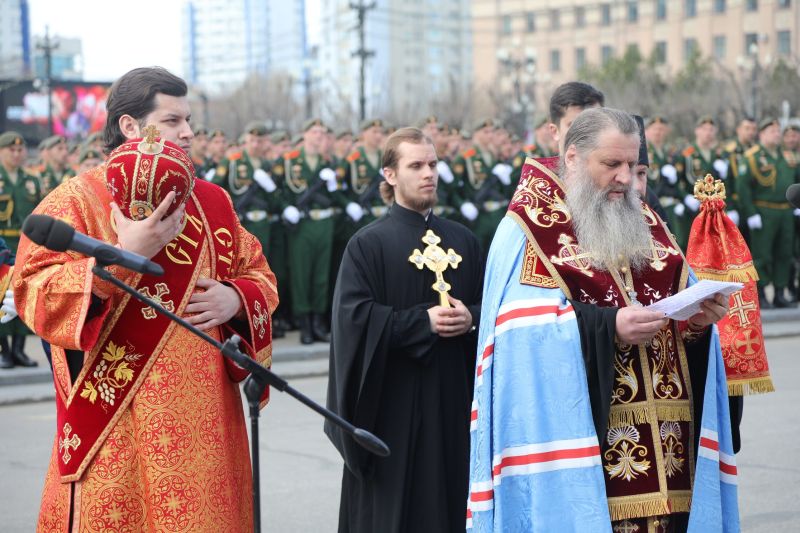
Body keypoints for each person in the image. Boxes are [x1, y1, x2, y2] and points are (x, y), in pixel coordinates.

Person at [15, 67, 278, 532]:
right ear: (131, 127)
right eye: (173, 120)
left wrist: (236, 299)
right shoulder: (75, 201)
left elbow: (261, 274)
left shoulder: (212, 202)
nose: (189, 132)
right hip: (117, 429)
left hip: (208, 431)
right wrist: (123, 259)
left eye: (189, 120)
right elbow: (32, 292)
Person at [469, 108, 739, 532]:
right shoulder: (529, 230)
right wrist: (609, 326)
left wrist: (699, 322)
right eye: (611, 164)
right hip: (594, 449)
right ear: (573, 158)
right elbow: (521, 337)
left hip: (670, 449)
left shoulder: (646, 221)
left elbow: (675, 311)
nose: (626, 178)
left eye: (632, 165)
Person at [326, 127, 483, 533]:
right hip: (393, 404)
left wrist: (472, 319)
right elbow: (353, 321)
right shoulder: (367, 244)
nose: (428, 173)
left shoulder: (464, 240)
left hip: (454, 397)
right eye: (416, 165)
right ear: (390, 175)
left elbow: (492, 307)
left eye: (433, 164)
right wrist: (421, 322)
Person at [737, 118, 800, 308]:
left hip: (786, 211)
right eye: (772, 131)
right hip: (763, 211)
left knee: (784, 253)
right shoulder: (752, 156)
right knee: (762, 255)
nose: (776, 134)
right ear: (762, 134)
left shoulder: (788, 156)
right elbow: (743, 188)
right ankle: (762, 293)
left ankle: (780, 293)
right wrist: (750, 213)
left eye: (777, 131)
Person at [0, 130, 41, 368]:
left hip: (24, 244)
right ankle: (4, 351)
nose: (16, 154)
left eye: (20, 150)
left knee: (22, 294)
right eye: (11, 150)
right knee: (1, 295)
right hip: (2, 243)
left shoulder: (31, 180)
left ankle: (19, 349)